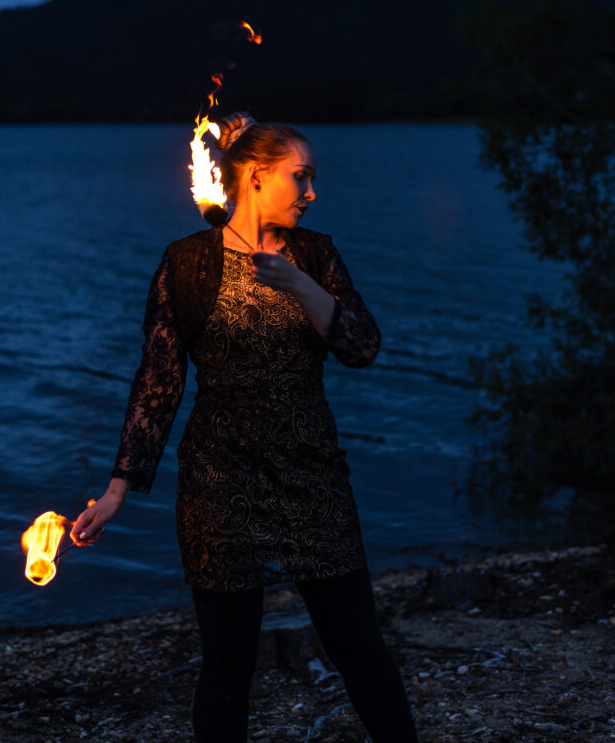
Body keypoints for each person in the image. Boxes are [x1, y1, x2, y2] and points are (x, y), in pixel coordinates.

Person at [71, 113, 420, 743]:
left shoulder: (315, 253)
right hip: (218, 483)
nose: (311, 192)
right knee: (228, 667)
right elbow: (158, 381)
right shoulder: (186, 263)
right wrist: (119, 489)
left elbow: (362, 347)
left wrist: (299, 285)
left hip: (312, 475)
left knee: (361, 652)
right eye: (300, 177)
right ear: (256, 175)